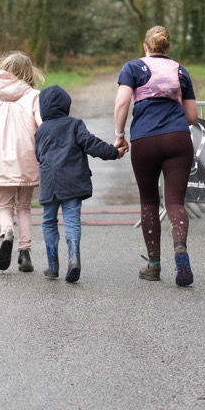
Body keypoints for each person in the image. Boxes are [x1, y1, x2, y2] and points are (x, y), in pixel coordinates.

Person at [113, 25, 198, 286]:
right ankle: (180, 250)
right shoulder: (181, 70)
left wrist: (119, 135)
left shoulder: (132, 67)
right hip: (178, 139)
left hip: (145, 139)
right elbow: (192, 116)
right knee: (175, 202)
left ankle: (153, 265)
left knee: (149, 201)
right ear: (168, 47)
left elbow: (122, 102)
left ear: (145, 46)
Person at [33, 85, 127, 282]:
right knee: (72, 220)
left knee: (48, 221)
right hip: (72, 182)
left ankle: (52, 265)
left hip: (49, 182)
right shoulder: (74, 125)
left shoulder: (40, 131)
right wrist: (113, 152)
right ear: (66, 105)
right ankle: (74, 260)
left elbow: (39, 156)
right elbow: (90, 144)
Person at [0, 51, 43, 273]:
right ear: (28, 72)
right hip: (26, 156)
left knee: (4, 205)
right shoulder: (34, 95)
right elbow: (42, 125)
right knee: (24, 207)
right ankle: (25, 253)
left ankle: (7, 232)